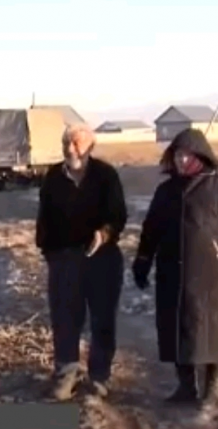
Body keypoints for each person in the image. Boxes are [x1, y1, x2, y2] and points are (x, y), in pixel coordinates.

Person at [131, 128, 218, 407]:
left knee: (214, 333)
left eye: (186, 155)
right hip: (172, 275)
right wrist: (142, 262)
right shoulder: (166, 192)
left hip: (211, 276)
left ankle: (213, 389)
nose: (181, 160)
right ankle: (186, 387)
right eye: (177, 155)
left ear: (200, 156)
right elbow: (150, 231)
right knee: (177, 331)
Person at [36, 123, 128, 401]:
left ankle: (99, 376)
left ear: (90, 146)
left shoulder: (105, 175)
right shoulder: (53, 177)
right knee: (65, 319)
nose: (70, 149)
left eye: (76, 143)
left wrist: (104, 234)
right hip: (64, 259)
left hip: (102, 259)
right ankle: (66, 374)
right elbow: (44, 218)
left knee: (102, 320)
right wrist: (49, 252)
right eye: (66, 143)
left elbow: (118, 215)